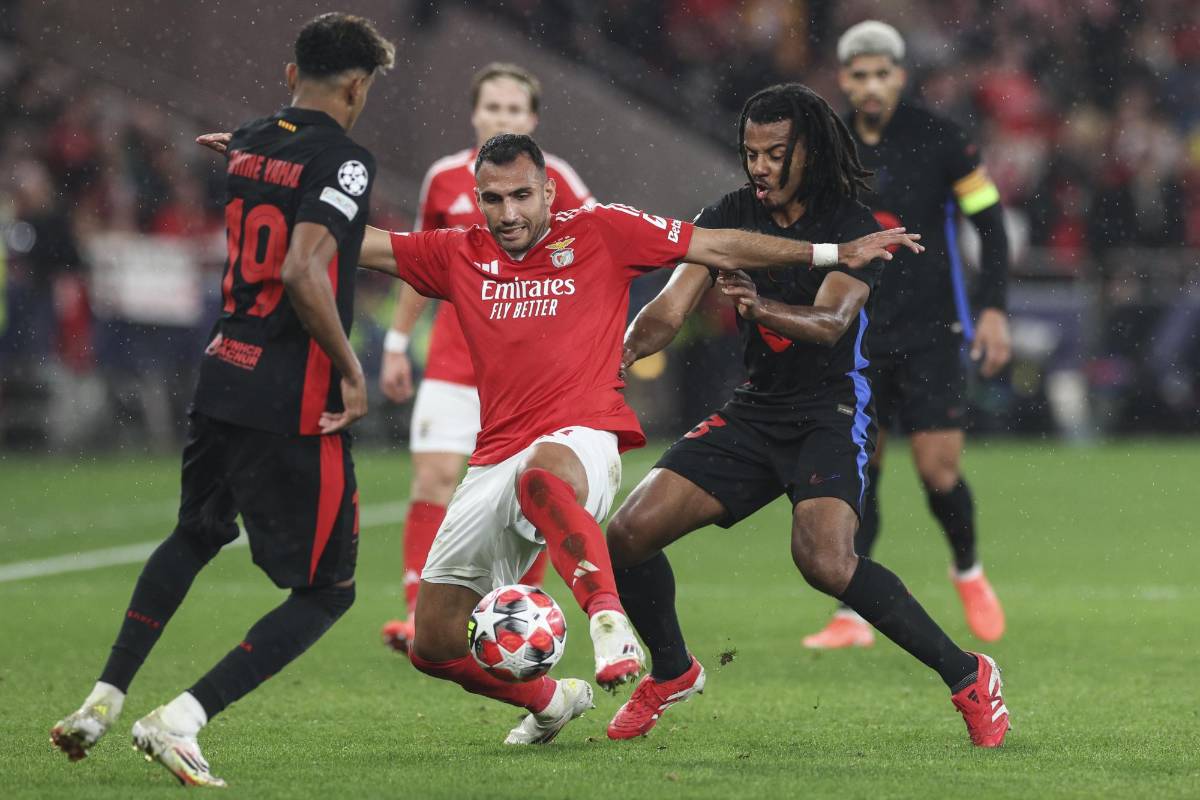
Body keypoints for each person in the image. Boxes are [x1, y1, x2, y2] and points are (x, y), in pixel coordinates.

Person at [353, 132, 922, 744]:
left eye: (522, 195)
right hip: (494, 454)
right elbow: (356, 242)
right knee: (434, 647)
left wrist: (830, 252)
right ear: (477, 200)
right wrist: (269, 176)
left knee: (541, 476)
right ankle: (550, 700)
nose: (509, 213)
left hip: (583, 437)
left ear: (548, 191)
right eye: (493, 200)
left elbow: (715, 243)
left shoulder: (600, 230)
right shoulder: (457, 252)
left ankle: (608, 620)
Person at [604, 83, 1010, 748]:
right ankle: (673, 672)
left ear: (810, 152)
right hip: (755, 411)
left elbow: (829, 323)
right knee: (627, 534)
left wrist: (756, 306)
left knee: (823, 560)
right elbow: (673, 308)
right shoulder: (729, 215)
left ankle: (969, 675)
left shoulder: (854, 226)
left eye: (774, 153)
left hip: (832, 411)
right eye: (749, 152)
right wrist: (618, 356)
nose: (758, 166)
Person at [49, 13, 394, 786]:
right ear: (357, 86)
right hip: (290, 393)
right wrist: (351, 368)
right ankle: (181, 717)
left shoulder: (250, 137)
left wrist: (245, 152)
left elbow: (262, 166)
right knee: (328, 591)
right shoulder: (344, 159)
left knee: (196, 533)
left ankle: (102, 698)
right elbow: (307, 271)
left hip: (222, 373)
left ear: (288, 74)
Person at [803, 21, 1012, 649]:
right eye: (859, 74)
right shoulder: (824, 145)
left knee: (939, 471)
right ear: (843, 79)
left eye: (882, 73)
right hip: (856, 331)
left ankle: (968, 571)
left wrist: (994, 309)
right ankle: (850, 616)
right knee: (859, 471)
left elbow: (991, 223)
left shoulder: (941, 138)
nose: (871, 86)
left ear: (900, 75)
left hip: (930, 329)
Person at [379, 63, 595, 654]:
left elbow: (592, 254)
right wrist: (398, 342)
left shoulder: (561, 182)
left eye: (513, 110)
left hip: (528, 372)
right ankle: (417, 615)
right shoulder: (444, 180)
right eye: (491, 107)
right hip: (453, 360)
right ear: (475, 113)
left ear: (532, 121)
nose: (500, 117)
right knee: (433, 477)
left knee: (527, 496)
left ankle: (516, 616)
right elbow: (416, 266)